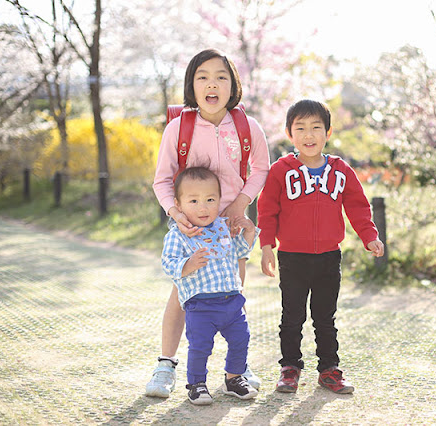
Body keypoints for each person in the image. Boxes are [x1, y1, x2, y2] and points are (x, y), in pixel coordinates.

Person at [149, 48, 270, 398]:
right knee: (183, 294)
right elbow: (162, 180)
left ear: (233, 85)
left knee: (233, 296)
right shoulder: (179, 128)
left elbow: (261, 167)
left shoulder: (248, 127)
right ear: (192, 85)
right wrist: (177, 214)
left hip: (231, 227)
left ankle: (237, 369)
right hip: (193, 228)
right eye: (202, 76)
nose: (211, 83)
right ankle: (166, 364)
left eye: (221, 76)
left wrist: (242, 203)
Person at [257, 99, 385, 394]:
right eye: (300, 128)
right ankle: (290, 368)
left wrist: (369, 236)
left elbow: (358, 206)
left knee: (325, 318)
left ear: (327, 132)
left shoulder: (340, 170)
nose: (309, 134)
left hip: (329, 257)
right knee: (292, 317)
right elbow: (267, 210)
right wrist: (266, 246)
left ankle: (329, 369)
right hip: (292, 257)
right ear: (290, 134)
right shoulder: (281, 170)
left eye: (316, 127)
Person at [161, 166, 259, 405]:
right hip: (200, 305)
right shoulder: (179, 234)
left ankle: (234, 379)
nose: (203, 207)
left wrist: (248, 232)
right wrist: (188, 264)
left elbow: (239, 251)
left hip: (232, 302)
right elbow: (168, 263)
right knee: (200, 346)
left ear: (219, 200)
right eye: (193, 200)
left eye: (210, 200)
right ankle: (196, 384)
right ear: (178, 204)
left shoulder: (224, 227)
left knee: (241, 339)